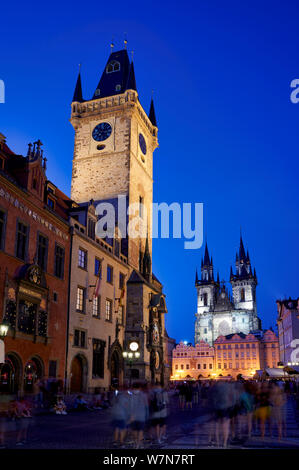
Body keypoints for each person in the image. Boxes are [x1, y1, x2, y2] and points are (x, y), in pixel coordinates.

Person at [129, 383, 149, 449]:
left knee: (134, 430)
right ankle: (138, 443)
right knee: (140, 430)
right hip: (141, 416)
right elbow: (146, 406)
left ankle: (136, 443)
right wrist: (147, 415)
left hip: (133, 416)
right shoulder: (144, 395)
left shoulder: (130, 395)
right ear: (139, 388)